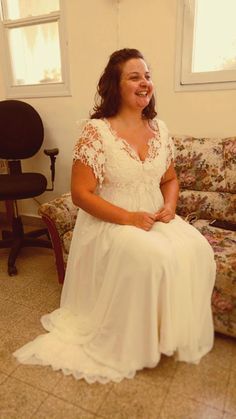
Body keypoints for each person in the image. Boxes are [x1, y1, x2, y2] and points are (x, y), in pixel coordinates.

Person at [13, 48, 216, 383]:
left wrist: (170, 206)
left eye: (148, 76)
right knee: (152, 257)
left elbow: (170, 179)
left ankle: (165, 335)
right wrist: (128, 218)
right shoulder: (96, 132)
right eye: (134, 76)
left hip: (153, 215)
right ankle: (136, 342)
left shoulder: (159, 129)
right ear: (115, 85)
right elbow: (81, 195)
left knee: (197, 249)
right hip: (110, 219)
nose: (144, 82)